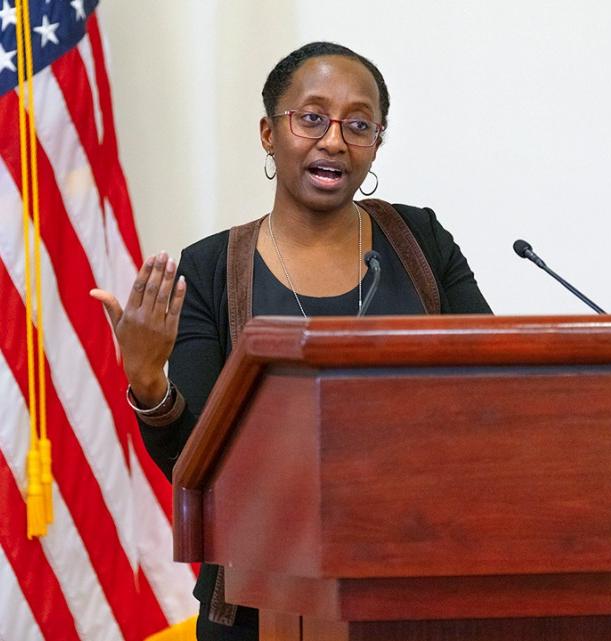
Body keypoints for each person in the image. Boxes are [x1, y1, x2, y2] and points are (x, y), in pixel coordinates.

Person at [91, 41, 491, 641]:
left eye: (359, 124)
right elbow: (193, 466)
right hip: (260, 603)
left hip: (418, 582)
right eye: (312, 118)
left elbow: (492, 387)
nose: (334, 140)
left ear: (377, 142)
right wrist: (149, 382)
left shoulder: (420, 242)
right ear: (268, 133)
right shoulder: (211, 270)